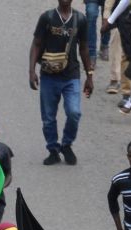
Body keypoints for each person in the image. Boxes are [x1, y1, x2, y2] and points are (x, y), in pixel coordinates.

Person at [30, 0, 95, 166]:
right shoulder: (47, 18)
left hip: (71, 75)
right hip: (49, 76)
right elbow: (36, 44)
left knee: (74, 113)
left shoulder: (80, 19)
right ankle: (53, 149)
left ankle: (66, 144)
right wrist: (31, 71)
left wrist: (89, 76)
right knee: (48, 118)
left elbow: (84, 48)